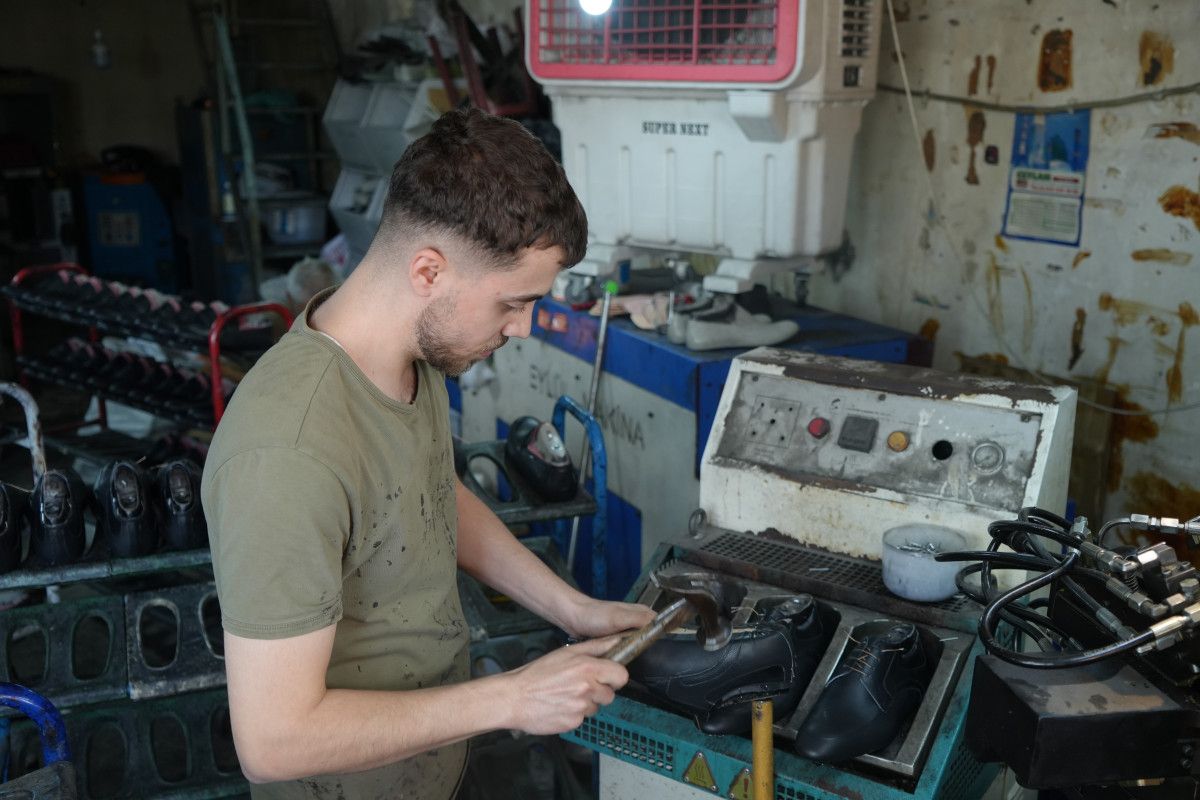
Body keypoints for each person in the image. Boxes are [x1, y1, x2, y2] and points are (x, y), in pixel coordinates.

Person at [200, 108, 655, 799]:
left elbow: (431, 496)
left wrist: (571, 610)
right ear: (428, 270)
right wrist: (512, 699)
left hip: (430, 766)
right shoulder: (287, 454)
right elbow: (273, 740)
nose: (523, 326)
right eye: (513, 302)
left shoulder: (411, 358)